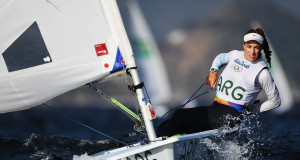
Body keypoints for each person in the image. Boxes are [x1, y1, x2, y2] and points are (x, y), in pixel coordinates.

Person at [157, 27, 281, 137]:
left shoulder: (262, 73)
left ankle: (157, 148)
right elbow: (220, 57)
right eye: (249, 47)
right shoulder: (235, 55)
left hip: (229, 118)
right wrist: (213, 72)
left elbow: (275, 101)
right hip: (216, 110)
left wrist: (250, 110)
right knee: (167, 123)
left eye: (256, 48)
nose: (252, 51)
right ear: (244, 45)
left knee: (180, 116)